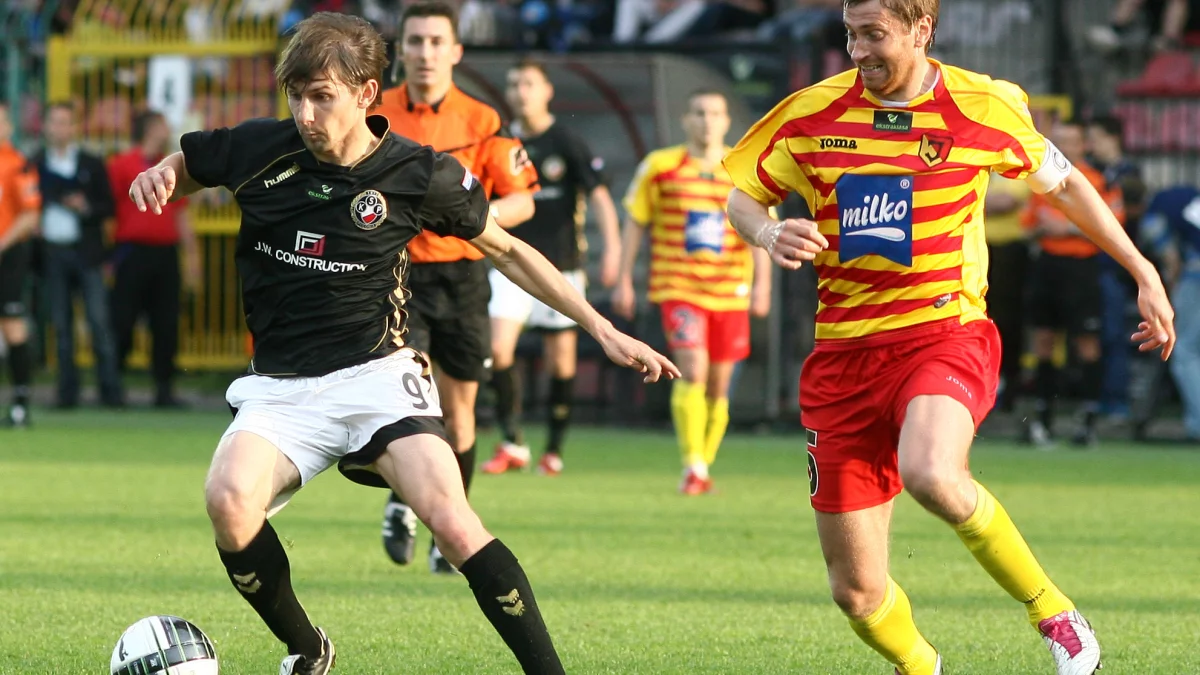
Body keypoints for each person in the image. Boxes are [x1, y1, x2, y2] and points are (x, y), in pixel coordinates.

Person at [125, 12, 677, 675]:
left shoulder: (418, 173)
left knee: (453, 519)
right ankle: (307, 647)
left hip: (376, 377)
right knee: (228, 503)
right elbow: (191, 164)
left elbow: (508, 250)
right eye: (295, 96)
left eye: (321, 96)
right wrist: (162, 172)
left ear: (365, 93)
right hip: (280, 386)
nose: (305, 113)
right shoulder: (258, 148)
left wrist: (601, 326)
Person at [722, 1, 1175, 673]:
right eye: (850, 34)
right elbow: (740, 197)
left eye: (873, 34)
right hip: (844, 355)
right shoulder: (809, 113)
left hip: (943, 332)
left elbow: (1066, 186)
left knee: (932, 472)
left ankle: (1054, 612)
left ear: (921, 30)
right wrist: (767, 231)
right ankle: (921, 665)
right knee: (856, 592)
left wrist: (1141, 269)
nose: (857, 50)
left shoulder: (981, 105)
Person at [373, 0, 540, 572]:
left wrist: (468, 218)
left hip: (463, 277)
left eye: (436, 42)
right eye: (416, 41)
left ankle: (452, 528)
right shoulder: (374, 114)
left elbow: (522, 200)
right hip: (395, 276)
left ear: (456, 51)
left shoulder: (483, 120)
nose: (426, 53)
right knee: (410, 402)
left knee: (461, 414)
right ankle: (402, 503)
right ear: (401, 49)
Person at [613, 89, 772, 496]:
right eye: (699, 113)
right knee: (693, 369)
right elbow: (636, 221)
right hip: (679, 286)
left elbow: (762, 229)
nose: (707, 121)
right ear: (686, 120)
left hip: (730, 291)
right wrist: (624, 277)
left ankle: (704, 462)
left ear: (726, 121)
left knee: (718, 387)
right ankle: (693, 465)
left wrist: (763, 286)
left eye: (715, 113)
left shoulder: (744, 168)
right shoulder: (661, 166)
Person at [480, 58, 621, 477]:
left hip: (562, 265)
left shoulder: (566, 140)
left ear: (547, 92)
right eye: (514, 84)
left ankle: (554, 450)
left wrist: (612, 250)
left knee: (561, 363)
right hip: (509, 263)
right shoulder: (501, 141)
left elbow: (599, 196)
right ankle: (513, 442)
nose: (520, 91)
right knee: (498, 349)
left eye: (529, 83)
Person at [1021, 120, 1124, 447]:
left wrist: (1066, 227)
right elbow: (1028, 226)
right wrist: (1044, 228)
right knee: (1043, 340)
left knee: (1087, 343)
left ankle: (1088, 423)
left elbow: (1113, 226)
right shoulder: (1040, 179)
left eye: (1071, 141)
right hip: (1048, 266)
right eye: (1059, 140)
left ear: (1083, 146)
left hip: (1082, 269)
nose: (1064, 146)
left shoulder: (1096, 180)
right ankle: (1043, 421)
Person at [107, 110, 201, 408]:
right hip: (131, 252)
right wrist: (106, 257)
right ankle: (113, 385)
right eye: (162, 124)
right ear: (149, 129)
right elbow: (109, 212)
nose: (167, 129)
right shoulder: (121, 164)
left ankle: (164, 388)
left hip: (165, 254)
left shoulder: (169, 165)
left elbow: (181, 214)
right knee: (122, 320)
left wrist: (191, 256)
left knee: (166, 322)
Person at [33, 101, 123, 409]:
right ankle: (66, 393)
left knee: (99, 322)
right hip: (52, 253)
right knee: (60, 326)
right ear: (46, 126)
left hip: (87, 253)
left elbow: (108, 207)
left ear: (74, 127)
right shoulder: (36, 163)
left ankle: (110, 392)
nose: (60, 128)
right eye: (55, 122)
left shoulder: (91, 163)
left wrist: (84, 207)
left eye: (65, 122)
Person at [1087, 114, 1147, 420]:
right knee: (1092, 334)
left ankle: (1116, 400)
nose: (1091, 144)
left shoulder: (1129, 174)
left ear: (1113, 138)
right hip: (1091, 261)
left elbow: (1129, 214)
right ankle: (1096, 398)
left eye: (1096, 138)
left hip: (1115, 266)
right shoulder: (1090, 169)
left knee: (1113, 333)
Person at [1143, 184, 1200, 442]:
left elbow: (1170, 256)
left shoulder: (1159, 206)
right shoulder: (1188, 196)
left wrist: (1170, 289)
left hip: (1196, 276)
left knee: (1186, 351)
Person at [0, 100, 42, 427]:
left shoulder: (17, 164)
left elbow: (30, 215)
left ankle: (20, 404)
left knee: (12, 325)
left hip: (8, 256)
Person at [982, 173, 1031, 413]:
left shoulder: (1013, 167)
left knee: (1006, 320)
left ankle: (1008, 385)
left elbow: (1006, 202)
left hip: (1008, 252)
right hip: (976, 249)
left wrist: (966, 200)